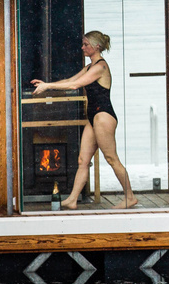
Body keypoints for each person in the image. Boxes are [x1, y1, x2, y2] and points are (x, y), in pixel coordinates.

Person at [30, 31, 137, 210]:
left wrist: (48, 86)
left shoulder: (100, 67)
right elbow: (70, 80)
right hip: (93, 117)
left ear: (96, 47)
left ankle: (130, 197)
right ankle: (72, 200)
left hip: (103, 116)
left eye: (86, 44)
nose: (82, 47)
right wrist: (46, 85)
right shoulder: (89, 67)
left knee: (111, 158)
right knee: (83, 160)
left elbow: (75, 85)